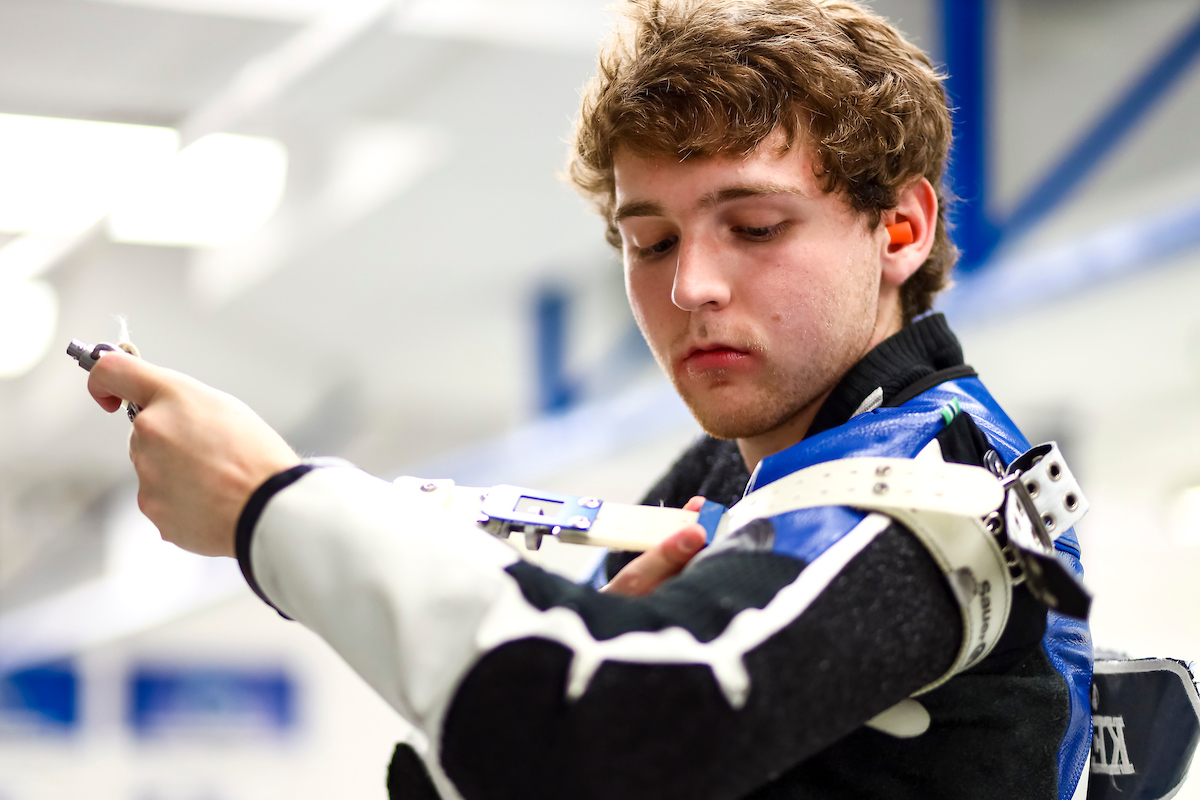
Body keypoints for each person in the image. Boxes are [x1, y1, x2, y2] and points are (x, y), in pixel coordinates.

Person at [83, 0, 1092, 797]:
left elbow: (607, 730)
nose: (690, 286)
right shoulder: (724, 479)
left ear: (901, 229)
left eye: (754, 226)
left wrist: (269, 505)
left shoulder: (936, 490)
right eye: (650, 242)